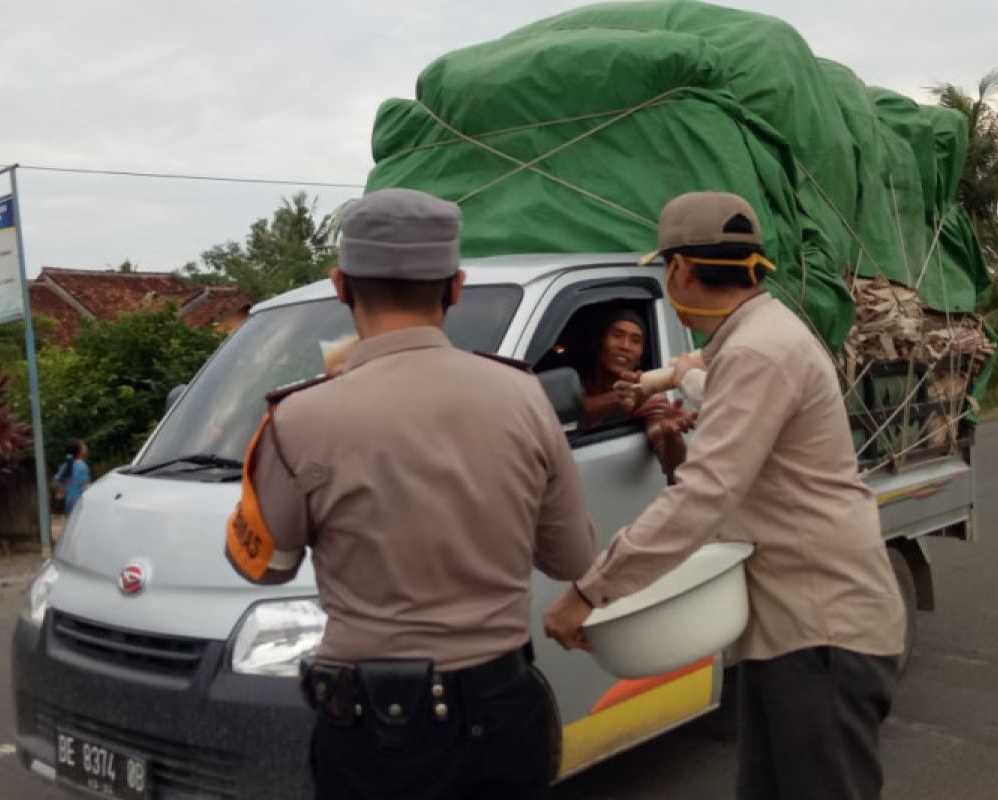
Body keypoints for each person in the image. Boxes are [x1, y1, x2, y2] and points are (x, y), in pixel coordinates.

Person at [224, 188, 597, 799]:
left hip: (370, 731)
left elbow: (262, 566)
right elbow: (573, 560)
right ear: (455, 286)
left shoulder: (300, 417)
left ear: (341, 286)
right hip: (501, 713)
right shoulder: (525, 397)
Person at [544, 192, 905, 800]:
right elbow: (736, 407)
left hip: (821, 632)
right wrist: (686, 377)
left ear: (680, 268)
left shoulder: (759, 350)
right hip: (791, 630)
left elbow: (703, 495)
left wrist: (589, 591)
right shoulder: (756, 339)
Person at [578, 309, 695, 477]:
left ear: (641, 355)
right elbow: (563, 413)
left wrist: (670, 435)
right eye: (617, 335)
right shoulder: (578, 383)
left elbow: (675, 467)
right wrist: (615, 400)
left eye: (635, 341)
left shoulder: (648, 396)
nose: (625, 346)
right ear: (600, 342)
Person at [52, 439, 91, 514]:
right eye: (83, 445)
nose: (86, 446)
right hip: (80, 502)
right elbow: (86, 487)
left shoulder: (65, 465)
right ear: (79, 450)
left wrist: (61, 490)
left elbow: (55, 481)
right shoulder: (82, 466)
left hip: (68, 502)